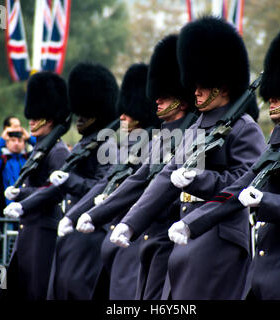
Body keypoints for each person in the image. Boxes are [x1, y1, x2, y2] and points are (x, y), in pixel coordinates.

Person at [169, 27, 280, 300]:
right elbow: (237, 188)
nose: (271, 97)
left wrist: (265, 201)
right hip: (268, 262)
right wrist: (193, 224)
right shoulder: (278, 144)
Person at [107, 17, 266, 300]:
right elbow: (165, 176)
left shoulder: (244, 127)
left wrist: (200, 179)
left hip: (219, 239)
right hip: (185, 238)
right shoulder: (195, 127)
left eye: (203, 84)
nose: (195, 90)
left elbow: (246, 183)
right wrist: (130, 223)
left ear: (223, 84)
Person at [75, 34, 198, 300]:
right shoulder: (163, 136)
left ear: (181, 98)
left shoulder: (191, 134)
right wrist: (95, 213)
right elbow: (139, 180)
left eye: (164, 96)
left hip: (172, 235)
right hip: (147, 236)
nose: (156, 100)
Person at [6, 62, 121, 300]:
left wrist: (69, 181)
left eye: (85, 113)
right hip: (71, 230)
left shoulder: (106, 145)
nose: (78, 118)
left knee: (76, 291)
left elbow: (104, 189)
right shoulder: (84, 143)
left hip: (90, 231)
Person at [1, 72, 70, 300]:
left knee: (36, 290)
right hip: (28, 228)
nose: (30, 121)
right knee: (14, 288)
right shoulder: (39, 147)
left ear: (50, 118)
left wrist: (21, 195)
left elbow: (54, 190)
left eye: (37, 116)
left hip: (43, 229)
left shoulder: (57, 150)